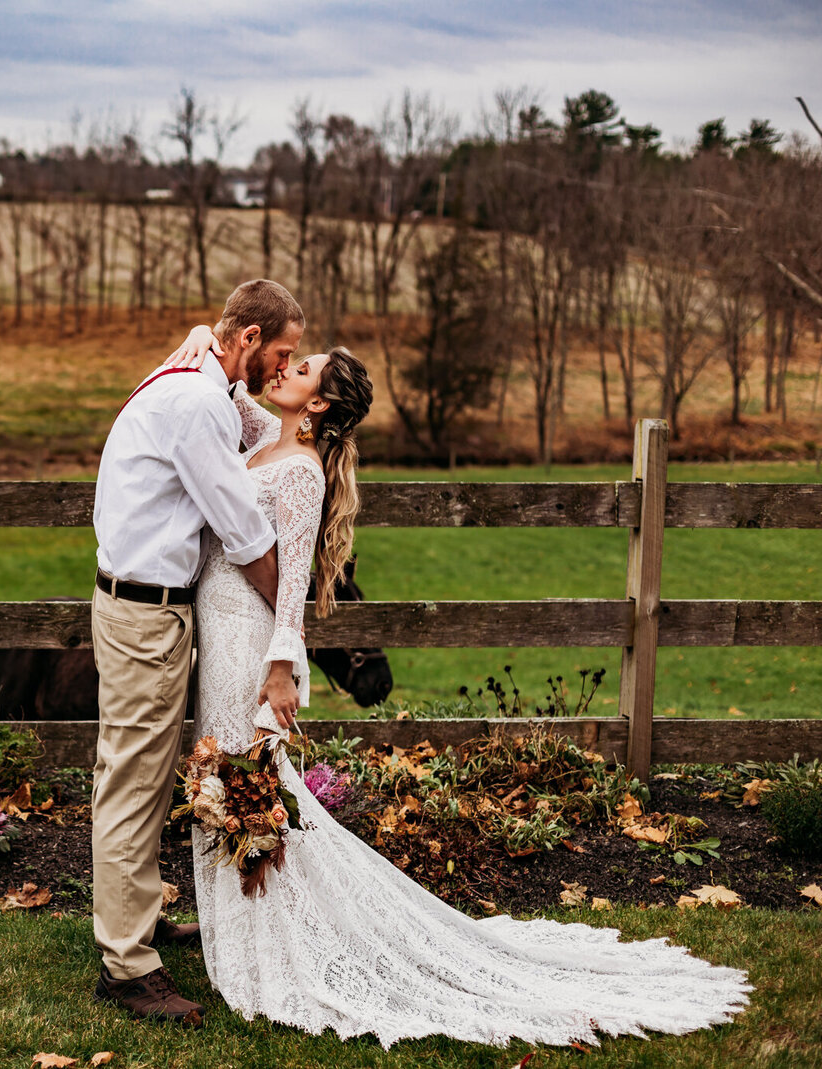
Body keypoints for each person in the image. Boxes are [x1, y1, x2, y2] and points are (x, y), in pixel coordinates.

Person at [162, 324, 755, 1049]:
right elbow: (232, 387)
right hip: (216, 628)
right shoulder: (268, 436)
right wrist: (205, 337)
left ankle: (267, 933)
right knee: (223, 772)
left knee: (244, 778)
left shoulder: (300, 472)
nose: (285, 367)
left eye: (303, 367)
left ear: (316, 406)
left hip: (250, 640)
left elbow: (292, 586)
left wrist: (282, 668)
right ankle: (238, 923)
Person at [89, 279, 305, 1028]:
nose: (283, 369)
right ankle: (128, 966)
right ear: (245, 339)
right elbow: (245, 534)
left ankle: (137, 926)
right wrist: (291, 621)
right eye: (280, 353)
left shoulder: (192, 379)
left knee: (144, 779)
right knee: (132, 781)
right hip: (145, 611)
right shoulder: (199, 403)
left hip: (143, 604)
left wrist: (199, 334)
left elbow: (255, 432)